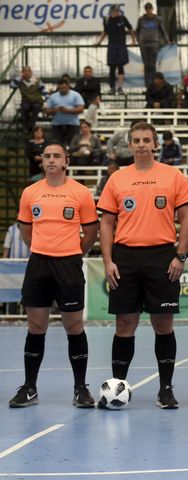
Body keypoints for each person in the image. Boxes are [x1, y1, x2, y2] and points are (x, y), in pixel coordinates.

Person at [97, 122, 188, 409]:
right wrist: (108, 261)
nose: (141, 144)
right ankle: (118, 388)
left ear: (155, 144)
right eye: (136, 140)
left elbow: (187, 218)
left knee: (163, 324)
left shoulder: (173, 176)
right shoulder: (117, 178)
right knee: (124, 323)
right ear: (130, 144)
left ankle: (166, 389)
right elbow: (106, 222)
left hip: (162, 257)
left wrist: (180, 255)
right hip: (125, 256)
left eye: (146, 140)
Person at [8, 142, 98, 408]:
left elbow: (91, 233)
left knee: (74, 327)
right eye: (47, 156)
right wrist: (43, 249)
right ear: (42, 161)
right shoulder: (30, 192)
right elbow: (26, 230)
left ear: (66, 161)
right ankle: (30, 388)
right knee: (36, 327)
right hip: (39, 264)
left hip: (68, 265)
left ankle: (81, 388)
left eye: (56, 156)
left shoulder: (80, 193)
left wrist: (71, 253)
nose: (51, 160)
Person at [96, 4, 136, 94]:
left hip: (121, 45)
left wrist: (134, 41)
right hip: (112, 46)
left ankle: (120, 87)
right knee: (112, 67)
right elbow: (105, 31)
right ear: (111, 11)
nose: (116, 12)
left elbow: (130, 29)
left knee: (121, 66)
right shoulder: (107, 20)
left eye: (118, 11)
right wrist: (99, 42)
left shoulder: (122, 19)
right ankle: (112, 88)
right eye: (115, 11)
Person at [136, 2, 170, 87]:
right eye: (147, 10)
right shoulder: (141, 19)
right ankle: (147, 84)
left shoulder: (158, 19)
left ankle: (154, 83)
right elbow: (137, 30)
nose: (149, 11)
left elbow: (163, 31)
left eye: (150, 9)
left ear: (152, 9)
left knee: (152, 65)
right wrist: (138, 40)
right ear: (145, 10)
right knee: (146, 65)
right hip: (144, 43)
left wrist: (167, 40)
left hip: (154, 43)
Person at [11, 66, 49, 133]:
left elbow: (44, 90)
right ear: (22, 73)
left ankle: (29, 127)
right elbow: (12, 85)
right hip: (26, 101)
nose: (26, 73)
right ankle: (28, 127)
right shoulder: (20, 81)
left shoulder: (37, 80)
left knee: (36, 107)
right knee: (25, 108)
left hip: (37, 100)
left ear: (31, 72)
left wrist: (47, 99)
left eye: (28, 71)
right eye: (24, 71)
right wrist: (20, 77)